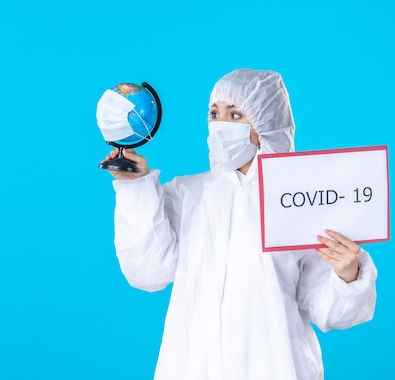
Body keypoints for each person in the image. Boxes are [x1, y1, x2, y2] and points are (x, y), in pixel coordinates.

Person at [102, 69, 377, 380]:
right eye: (214, 113)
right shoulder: (186, 194)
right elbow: (148, 273)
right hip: (192, 366)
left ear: (265, 124)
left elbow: (327, 310)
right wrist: (136, 189)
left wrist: (347, 274)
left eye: (235, 115)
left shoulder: (299, 200)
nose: (220, 125)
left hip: (276, 367)